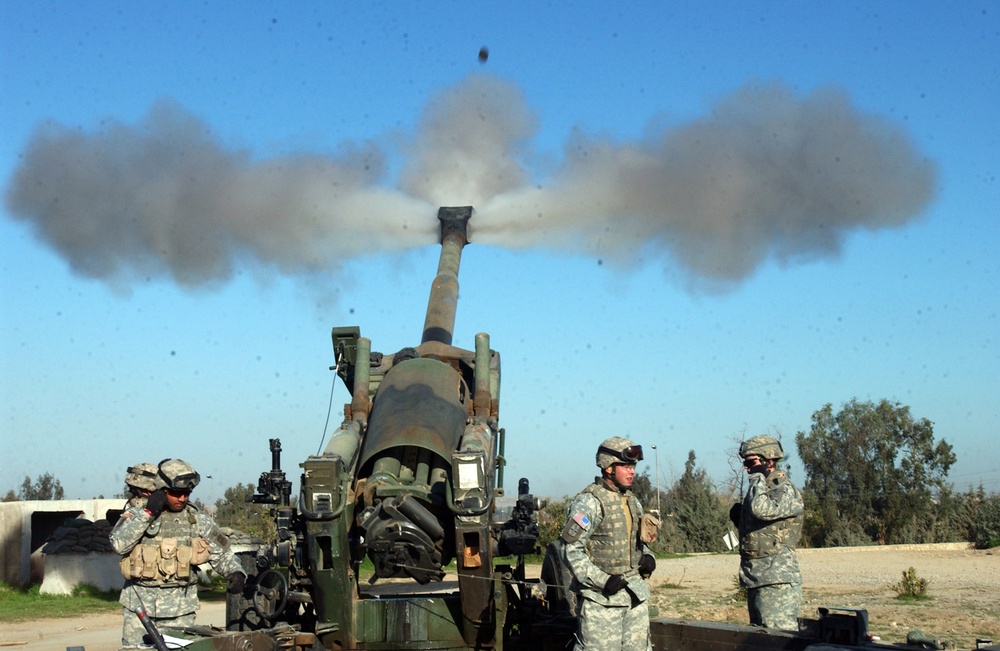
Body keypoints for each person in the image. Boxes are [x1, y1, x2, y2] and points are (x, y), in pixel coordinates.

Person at [110, 458, 247, 649]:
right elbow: (119, 545)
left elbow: (222, 554)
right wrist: (148, 513)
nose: (182, 499)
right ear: (161, 489)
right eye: (176, 493)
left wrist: (235, 572)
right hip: (140, 611)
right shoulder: (139, 514)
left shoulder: (196, 518)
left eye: (186, 494)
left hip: (180, 613)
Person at [561, 436, 658, 651]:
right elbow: (570, 550)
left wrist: (648, 556)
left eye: (633, 466)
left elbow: (639, 541)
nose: (632, 471)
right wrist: (602, 580)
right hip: (601, 604)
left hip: (634, 598)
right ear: (608, 468)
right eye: (625, 466)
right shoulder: (589, 503)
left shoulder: (632, 500)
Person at [730, 435, 804, 630]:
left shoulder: (785, 490)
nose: (747, 468)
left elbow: (762, 510)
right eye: (745, 463)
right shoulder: (760, 490)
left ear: (768, 460)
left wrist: (757, 477)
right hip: (756, 578)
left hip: (776, 580)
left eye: (751, 462)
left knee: (776, 640)